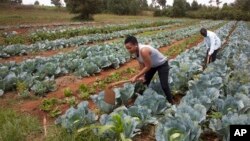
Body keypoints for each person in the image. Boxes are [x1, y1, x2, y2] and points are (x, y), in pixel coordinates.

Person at [124, 35, 174, 104]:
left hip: (162, 64)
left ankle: (171, 102)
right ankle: (140, 100)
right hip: (152, 65)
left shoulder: (144, 50)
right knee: (144, 83)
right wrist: (142, 76)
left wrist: (136, 76)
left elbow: (148, 66)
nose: (128, 50)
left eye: (129, 48)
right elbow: (141, 64)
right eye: (127, 49)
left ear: (135, 44)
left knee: (164, 85)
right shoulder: (135, 52)